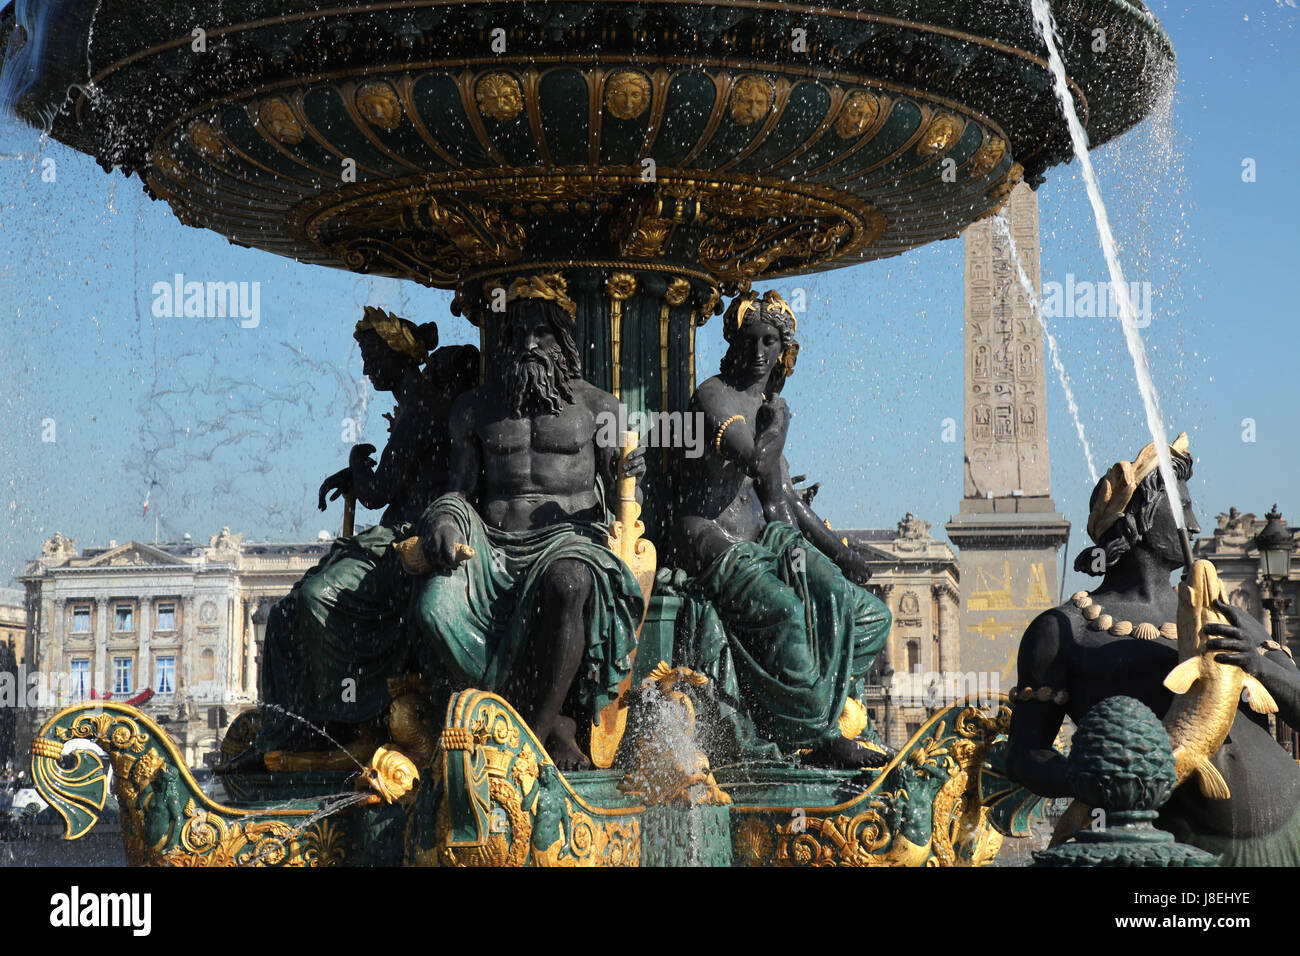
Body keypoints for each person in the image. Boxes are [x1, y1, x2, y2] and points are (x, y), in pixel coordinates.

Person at [1006, 435, 1300, 864]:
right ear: (1138, 518)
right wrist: (1096, 774)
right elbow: (1024, 755)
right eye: (1183, 508)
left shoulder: (1224, 615)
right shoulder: (1066, 630)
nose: (1194, 524)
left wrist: (1259, 666)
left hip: (1291, 833)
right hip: (1177, 852)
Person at [410, 274, 646, 770]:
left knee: (571, 582)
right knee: (433, 606)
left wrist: (631, 471)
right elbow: (459, 487)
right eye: (515, 334)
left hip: (568, 539)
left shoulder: (600, 407)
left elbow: (625, 490)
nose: (527, 344)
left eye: (540, 332)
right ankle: (535, 722)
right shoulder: (475, 409)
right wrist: (446, 520)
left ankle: (529, 741)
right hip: (489, 548)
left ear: (562, 338)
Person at [241, 308, 478, 765]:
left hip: (412, 540)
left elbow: (379, 491)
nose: (367, 369)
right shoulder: (415, 404)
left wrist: (355, 466)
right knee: (287, 613)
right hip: (395, 533)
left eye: (372, 356)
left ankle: (344, 718)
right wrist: (353, 474)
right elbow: (395, 481)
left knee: (314, 597)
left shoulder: (422, 406)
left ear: (400, 354)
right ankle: (291, 728)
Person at [673, 289, 892, 768]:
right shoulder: (714, 396)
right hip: (711, 538)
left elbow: (784, 497)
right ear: (732, 342)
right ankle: (813, 736)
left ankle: (798, 703)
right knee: (788, 610)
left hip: (764, 540)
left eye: (768, 341)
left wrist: (842, 553)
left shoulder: (765, 406)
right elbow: (757, 458)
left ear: (783, 349)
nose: (757, 354)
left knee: (866, 615)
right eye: (748, 341)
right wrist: (779, 421)